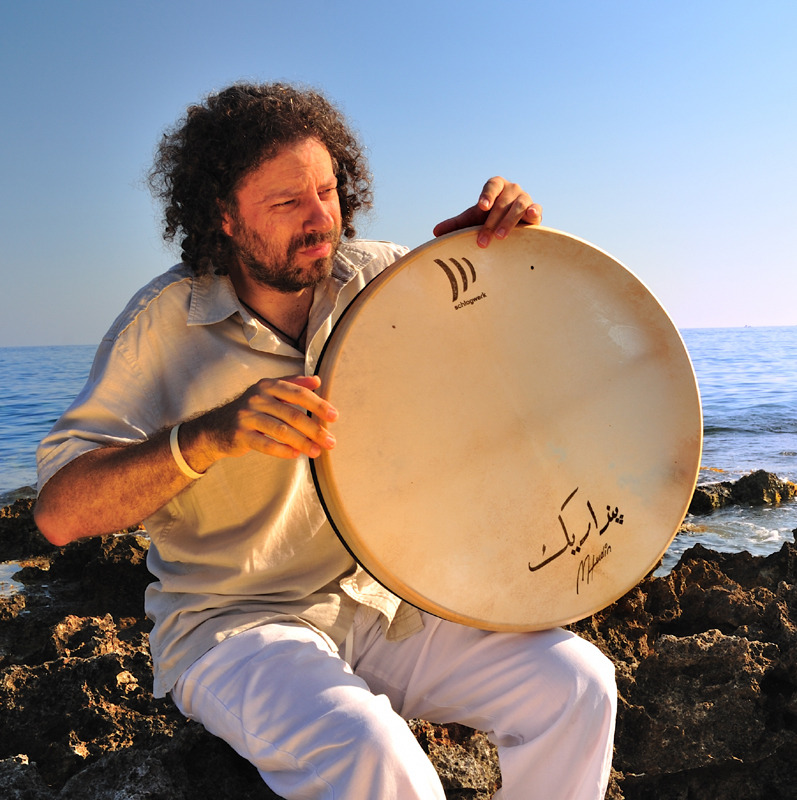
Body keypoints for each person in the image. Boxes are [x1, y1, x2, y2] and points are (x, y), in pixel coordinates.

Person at [35, 82, 616, 799]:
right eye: (287, 202)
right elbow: (59, 513)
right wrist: (207, 436)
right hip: (234, 625)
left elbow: (509, 356)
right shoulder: (159, 327)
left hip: (383, 603)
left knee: (578, 685)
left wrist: (505, 248)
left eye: (327, 190)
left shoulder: (381, 278)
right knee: (378, 756)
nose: (320, 219)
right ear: (223, 216)